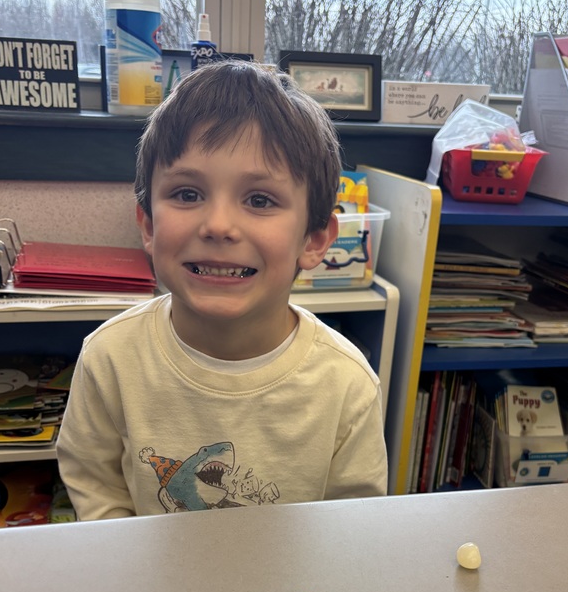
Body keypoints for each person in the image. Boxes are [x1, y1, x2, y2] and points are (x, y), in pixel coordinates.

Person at [57, 60, 388, 518]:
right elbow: (93, 479)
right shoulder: (109, 357)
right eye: (188, 194)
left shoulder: (348, 384)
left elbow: (353, 525)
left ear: (313, 241)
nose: (218, 226)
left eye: (259, 200)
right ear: (149, 226)